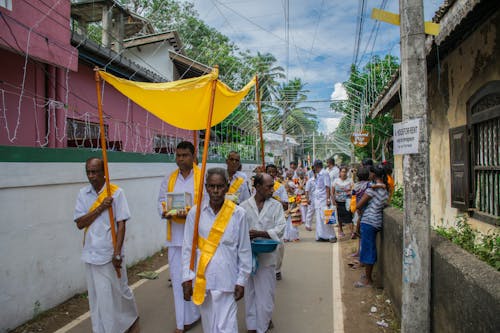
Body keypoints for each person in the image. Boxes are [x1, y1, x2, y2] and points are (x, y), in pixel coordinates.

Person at [74, 157, 140, 333]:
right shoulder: (83, 194)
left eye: (95, 171)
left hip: (110, 253)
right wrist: (100, 208)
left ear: (104, 173)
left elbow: (122, 224)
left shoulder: (116, 193)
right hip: (91, 253)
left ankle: (132, 319)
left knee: (120, 291)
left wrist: (117, 252)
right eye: (88, 172)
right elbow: (80, 223)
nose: (91, 175)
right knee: (97, 297)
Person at [181, 168, 252, 333]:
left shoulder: (238, 214)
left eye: (220, 186)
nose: (215, 191)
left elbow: (244, 250)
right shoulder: (195, 213)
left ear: (227, 187)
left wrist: (242, 280)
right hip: (202, 280)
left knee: (227, 328)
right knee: (210, 327)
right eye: (211, 186)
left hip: (228, 281)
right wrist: (186, 278)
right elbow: (188, 248)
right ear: (206, 187)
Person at [158, 141, 201, 333]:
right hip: (175, 239)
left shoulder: (202, 176)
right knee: (178, 280)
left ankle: (197, 314)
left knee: (197, 278)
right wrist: (166, 211)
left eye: (185, 155)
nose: (181, 159)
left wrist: (189, 213)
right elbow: (160, 202)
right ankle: (181, 322)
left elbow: (209, 206)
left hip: (198, 240)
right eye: (178, 155)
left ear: (193, 156)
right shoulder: (169, 179)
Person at [240, 173, 286, 333]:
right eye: (269, 186)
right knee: (250, 294)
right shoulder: (244, 206)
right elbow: (238, 231)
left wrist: (261, 233)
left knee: (266, 296)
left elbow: (281, 229)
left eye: (272, 186)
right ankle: (252, 326)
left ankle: (262, 327)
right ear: (257, 187)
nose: (272, 190)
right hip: (248, 257)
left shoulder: (276, 206)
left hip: (267, 256)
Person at [354, 165, 389, 288]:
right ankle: (367, 277)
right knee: (370, 248)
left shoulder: (372, 190)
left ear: (373, 175)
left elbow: (358, 205)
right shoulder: (385, 191)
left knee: (368, 250)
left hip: (368, 221)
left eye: (370, 173)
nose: (369, 175)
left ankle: (368, 281)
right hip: (377, 221)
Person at [265, 164, 288, 280]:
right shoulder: (259, 187)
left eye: (273, 172)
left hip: (276, 218)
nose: (271, 174)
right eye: (269, 172)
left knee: (279, 245)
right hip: (263, 218)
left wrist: (273, 198)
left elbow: (285, 205)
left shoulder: (280, 187)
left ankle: (277, 270)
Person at [311, 160, 337, 243]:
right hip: (318, 199)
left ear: (316, 166)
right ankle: (322, 236)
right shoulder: (318, 174)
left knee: (327, 218)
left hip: (324, 199)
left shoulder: (324, 173)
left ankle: (332, 236)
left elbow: (327, 187)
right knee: (319, 219)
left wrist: (328, 199)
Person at [332, 166, 354, 238]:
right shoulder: (336, 181)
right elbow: (332, 192)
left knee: (349, 216)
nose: (343, 173)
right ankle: (340, 230)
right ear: (340, 173)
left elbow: (353, 190)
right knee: (340, 217)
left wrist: (349, 192)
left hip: (347, 202)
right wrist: (333, 201)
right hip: (339, 202)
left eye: (345, 172)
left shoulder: (350, 180)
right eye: (342, 172)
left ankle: (352, 232)